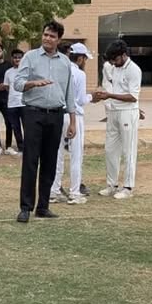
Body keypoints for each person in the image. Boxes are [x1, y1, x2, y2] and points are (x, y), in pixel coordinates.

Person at [13, 21, 77, 222]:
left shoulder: (65, 62)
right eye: (46, 34)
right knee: (31, 161)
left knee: (50, 161)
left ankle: (43, 206)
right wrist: (33, 83)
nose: (48, 38)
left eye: (52, 36)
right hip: (33, 114)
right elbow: (17, 83)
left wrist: (73, 121)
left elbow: (70, 93)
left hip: (56, 116)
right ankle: (25, 207)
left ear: (59, 40)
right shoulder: (30, 57)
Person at [94, 38, 141, 199]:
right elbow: (116, 89)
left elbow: (133, 96)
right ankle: (112, 185)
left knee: (128, 150)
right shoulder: (114, 68)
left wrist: (110, 95)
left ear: (123, 55)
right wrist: (104, 96)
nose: (113, 63)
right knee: (110, 150)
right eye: (111, 60)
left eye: (115, 59)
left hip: (127, 112)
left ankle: (128, 187)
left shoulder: (134, 70)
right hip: (113, 111)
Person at [51, 43, 93, 205]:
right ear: (80, 58)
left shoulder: (59, 69)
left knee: (58, 154)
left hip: (58, 114)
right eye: (85, 59)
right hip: (74, 116)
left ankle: (54, 190)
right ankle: (75, 192)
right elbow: (80, 100)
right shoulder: (80, 74)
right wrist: (92, 97)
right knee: (76, 155)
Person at [3, 48, 25, 155]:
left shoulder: (26, 71)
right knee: (16, 128)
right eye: (15, 57)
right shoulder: (8, 72)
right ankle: (21, 148)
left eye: (19, 58)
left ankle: (29, 147)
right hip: (12, 104)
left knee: (27, 127)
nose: (17, 60)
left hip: (24, 103)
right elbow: (7, 87)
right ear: (12, 59)